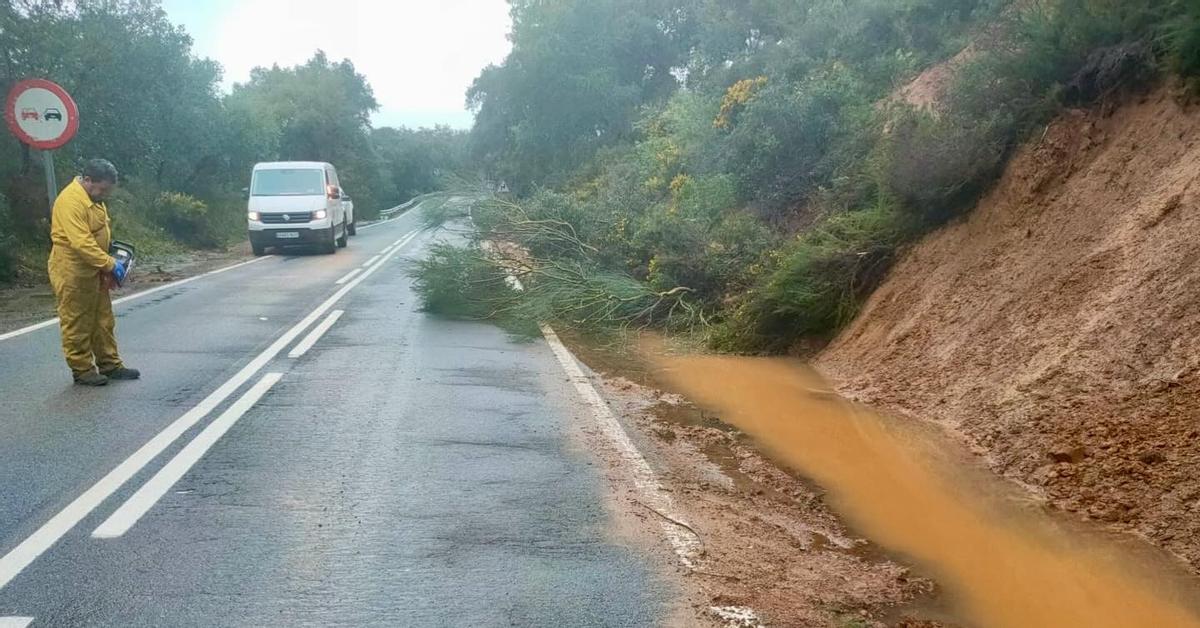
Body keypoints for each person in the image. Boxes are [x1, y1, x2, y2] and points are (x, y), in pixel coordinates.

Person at [47, 158, 140, 386]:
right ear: (88, 180)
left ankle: (110, 364)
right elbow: (81, 243)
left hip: (94, 269)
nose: (105, 194)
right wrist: (110, 264)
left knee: (103, 320)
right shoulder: (70, 201)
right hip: (73, 271)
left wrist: (110, 259)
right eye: (103, 188)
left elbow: (99, 232)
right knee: (77, 321)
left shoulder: (94, 198)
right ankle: (82, 369)